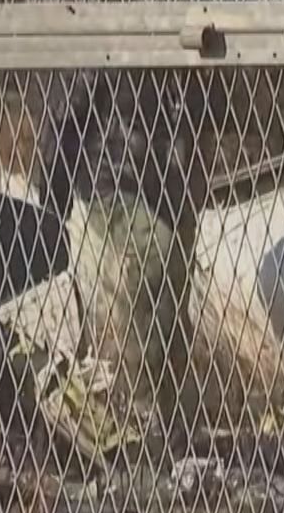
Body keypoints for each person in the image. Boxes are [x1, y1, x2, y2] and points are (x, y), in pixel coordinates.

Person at [37, 70, 206, 433]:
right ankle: (166, 438)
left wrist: (51, 204)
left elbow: (66, 111)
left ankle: (150, 442)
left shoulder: (101, 19)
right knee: (161, 329)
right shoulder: (176, 18)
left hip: (126, 191)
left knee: (138, 335)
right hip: (160, 192)